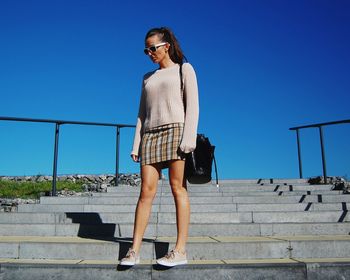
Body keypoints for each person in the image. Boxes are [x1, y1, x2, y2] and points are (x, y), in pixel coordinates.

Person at [120, 27, 199, 267]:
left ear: (166, 46)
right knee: (146, 192)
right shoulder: (147, 77)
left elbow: (193, 106)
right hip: (151, 136)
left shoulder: (184, 69)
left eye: (152, 48)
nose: (149, 53)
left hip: (176, 131)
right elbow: (141, 114)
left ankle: (180, 250)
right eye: (146, 50)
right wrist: (136, 143)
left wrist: (189, 138)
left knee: (178, 189)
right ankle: (133, 250)